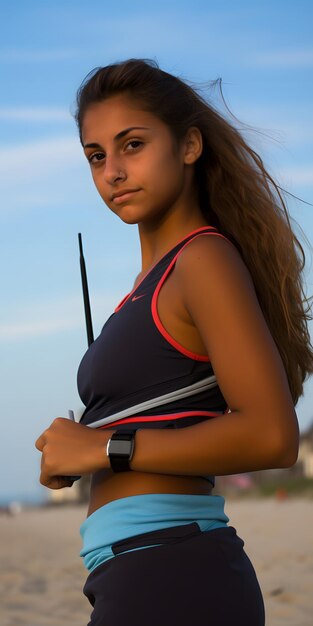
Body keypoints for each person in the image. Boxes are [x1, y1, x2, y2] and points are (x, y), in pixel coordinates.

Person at [35, 59, 312, 625]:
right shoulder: (148, 285)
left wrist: (104, 447)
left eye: (132, 144)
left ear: (189, 146)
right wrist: (81, 446)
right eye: (96, 156)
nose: (112, 171)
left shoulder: (202, 259)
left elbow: (272, 434)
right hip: (137, 574)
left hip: (175, 573)